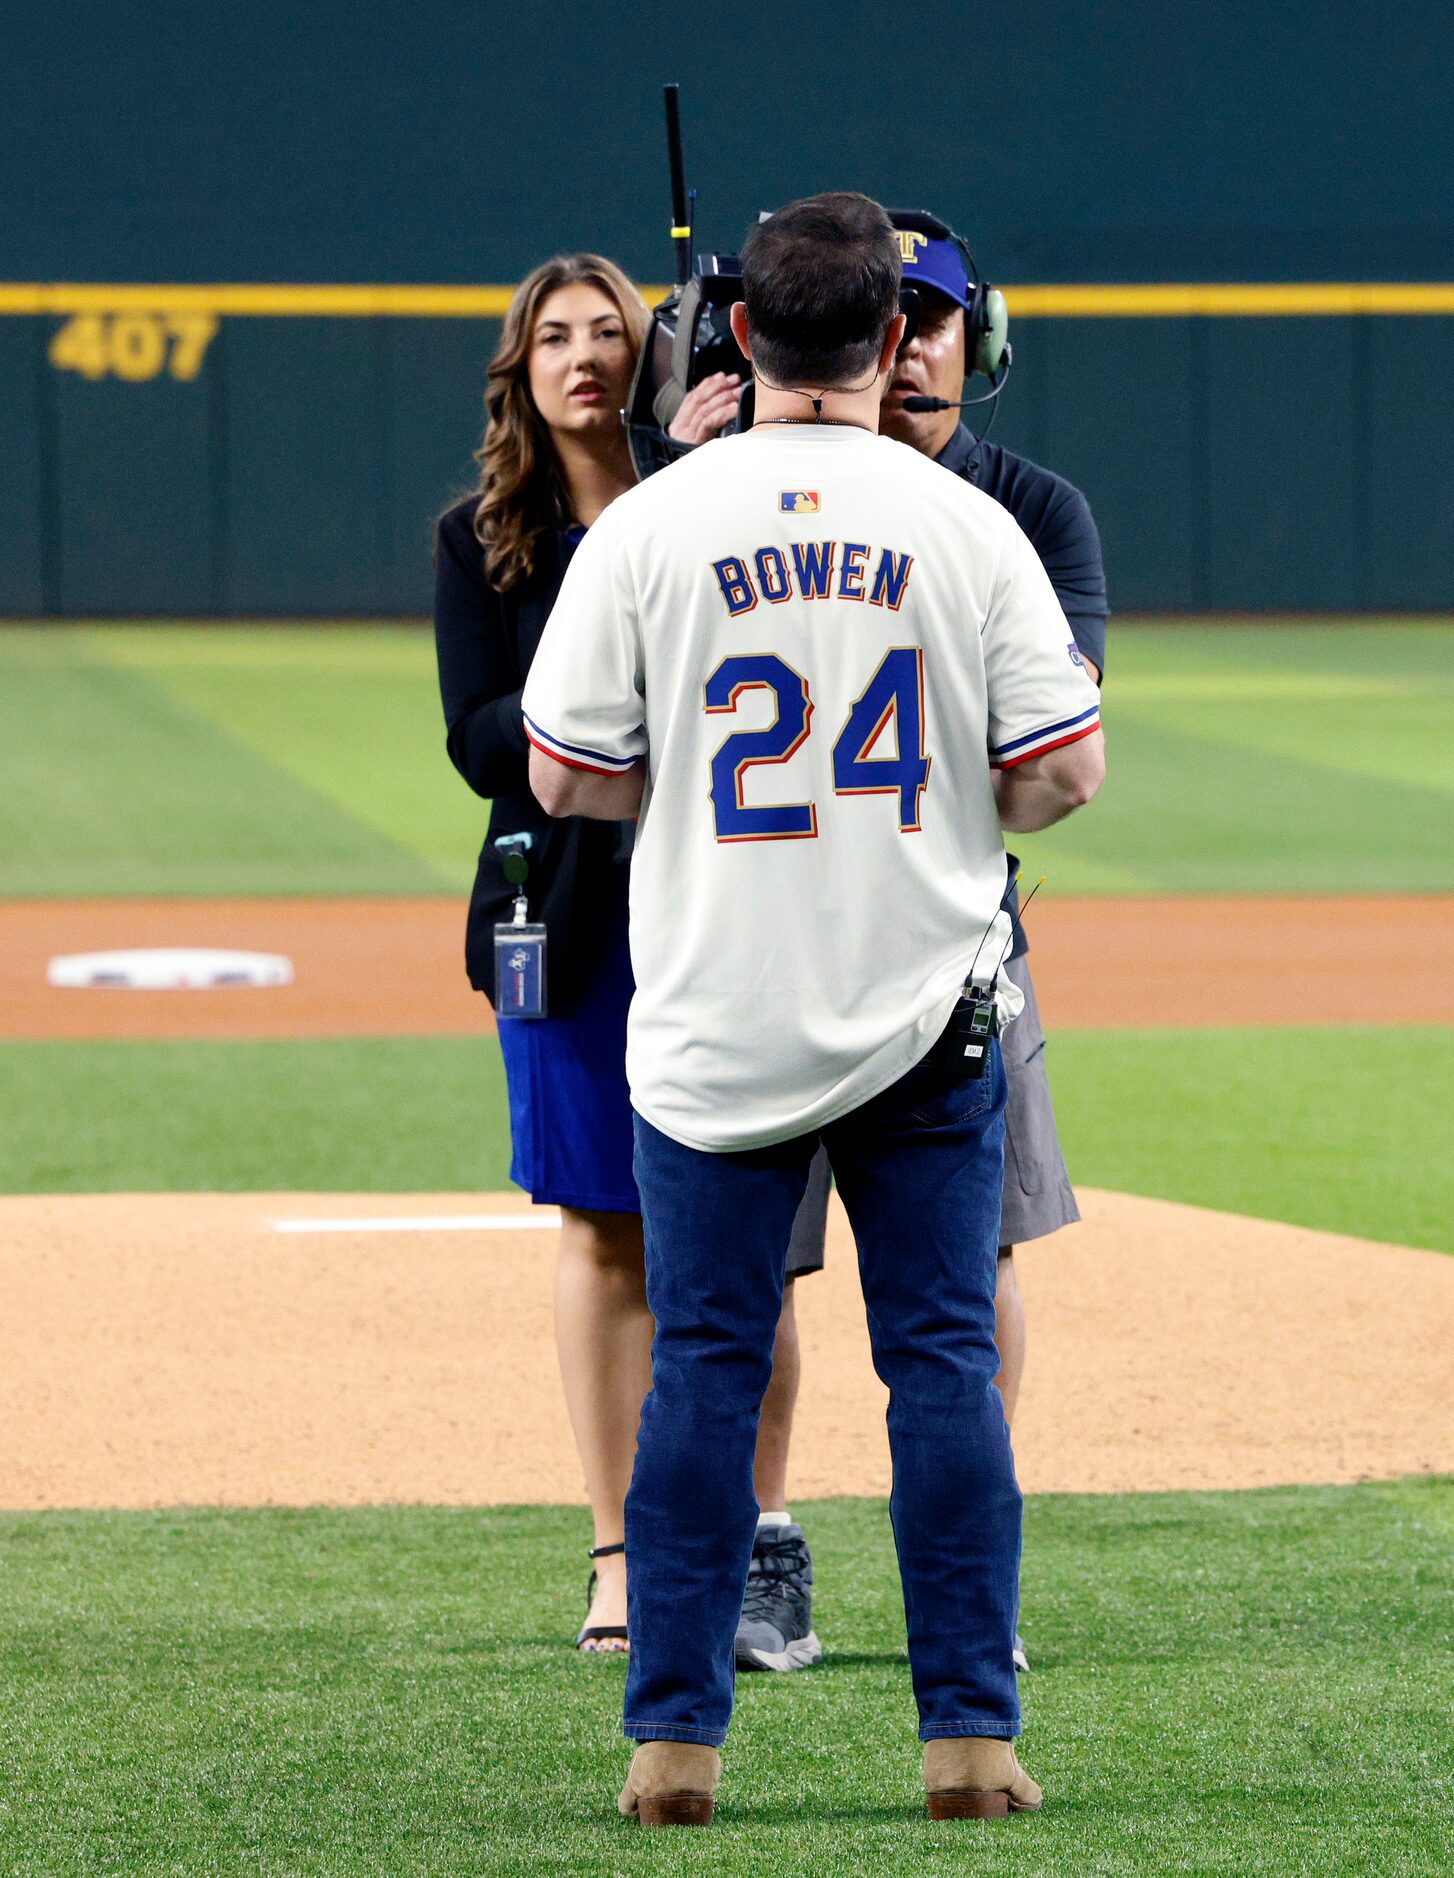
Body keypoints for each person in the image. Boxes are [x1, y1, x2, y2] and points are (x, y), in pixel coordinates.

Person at [524, 191, 1103, 1826]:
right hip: (926, 1012)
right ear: (889, 340)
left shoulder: (647, 523)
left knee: (705, 1371)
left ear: (740, 338)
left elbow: (565, 768)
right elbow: (1062, 766)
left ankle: (674, 1744)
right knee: (940, 1365)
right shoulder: (967, 525)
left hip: (711, 1018)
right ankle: (970, 1737)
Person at [737, 208, 1114, 1680]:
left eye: (935, 317)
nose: (910, 346)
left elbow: (1060, 733)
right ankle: (768, 1548)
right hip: (769, 943)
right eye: (890, 315)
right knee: (755, 1267)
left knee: (983, 1258)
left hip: (960, 945)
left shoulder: (1027, 507)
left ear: (967, 339)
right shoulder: (731, 488)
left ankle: (967, 1548)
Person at [431, 255, 751, 1659]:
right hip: (557, 912)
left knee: (736, 1235)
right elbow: (483, 743)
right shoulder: (483, 535)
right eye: (552, 335)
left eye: (609, 332)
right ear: (520, 365)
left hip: (722, 897)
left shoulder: (723, 506)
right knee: (599, 1221)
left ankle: (743, 1539)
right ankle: (619, 1550)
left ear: (656, 354)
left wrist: (683, 487)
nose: (580, 357)